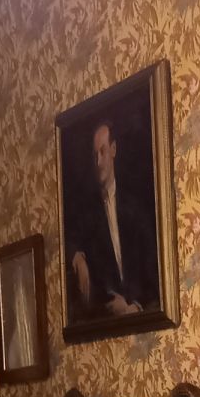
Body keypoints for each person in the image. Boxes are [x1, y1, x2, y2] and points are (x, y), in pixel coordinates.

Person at [68, 120, 159, 319]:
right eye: (95, 155)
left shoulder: (135, 206)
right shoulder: (88, 212)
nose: (98, 162)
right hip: (107, 317)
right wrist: (76, 256)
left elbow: (153, 273)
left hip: (141, 312)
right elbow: (69, 237)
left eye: (102, 152)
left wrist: (134, 308)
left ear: (114, 149)